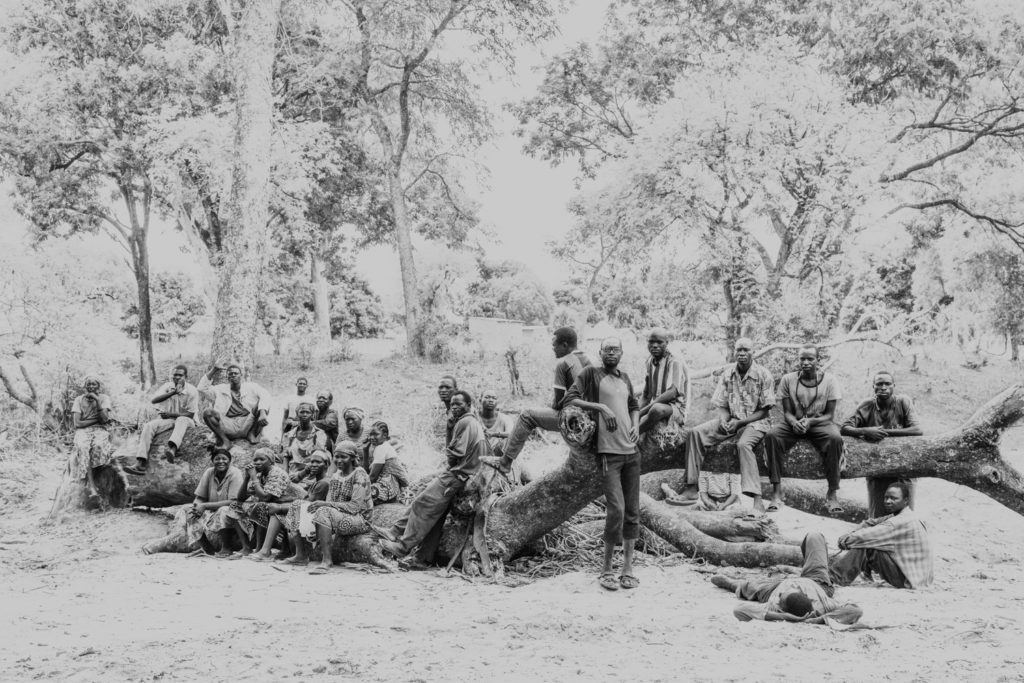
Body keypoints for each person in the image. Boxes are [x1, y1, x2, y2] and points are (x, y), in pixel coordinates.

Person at [564, 337, 641, 591]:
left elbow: (634, 406)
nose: (611, 353)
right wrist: (601, 408)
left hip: (632, 454)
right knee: (616, 509)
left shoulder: (625, 378)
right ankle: (606, 569)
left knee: (632, 511)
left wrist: (636, 425)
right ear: (600, 352)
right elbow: (570, 398)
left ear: (621, 352)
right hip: (609, 454)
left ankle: (627, 569)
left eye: (615, 349)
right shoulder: (591, 374)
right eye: (607, 349)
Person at [378, 390, 485, 561]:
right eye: (452, 404)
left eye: (459, 404)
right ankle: (422, 556)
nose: (454, 407)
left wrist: (450, 430)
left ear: (469, 405)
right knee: (436, 514)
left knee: (423, 503)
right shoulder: (471, 422)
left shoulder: (465, 422)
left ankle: (402, 546)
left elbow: (453, 455)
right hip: (467, 474)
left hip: (459, 475)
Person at [682, 338, 776, 511]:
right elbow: (722, 405)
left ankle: (757, 499)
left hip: (756, 421)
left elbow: (765, 411)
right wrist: (725, 420)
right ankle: (691, 487)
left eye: (746, 350)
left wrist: (740, 423)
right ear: (734, 352)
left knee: (743, 444)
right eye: (738, 350)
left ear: (752, 352)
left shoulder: (763, 374)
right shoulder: (728, 374)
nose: (741, 353)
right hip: (732, 419)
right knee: (695, 433)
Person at [710, 532, 863, 625]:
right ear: (806, 597)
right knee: (814, 536)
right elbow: (855, 610)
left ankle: (732, 584)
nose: (793, 586)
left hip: (775, 588)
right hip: (817, 583)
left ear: (780, 605)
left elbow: (740, 610)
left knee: (753, 587)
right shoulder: (824, 605)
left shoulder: (774, 605)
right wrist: (819, 619)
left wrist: (783, 617)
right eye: (795, 589)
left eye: (783, 597)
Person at [498, 327, 591, 472]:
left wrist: (554, 403)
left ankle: (505, 462)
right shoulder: (592, 360)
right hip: (592, 417)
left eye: (554, 344)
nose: (552, 348)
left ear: (565, 345)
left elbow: (557, 404)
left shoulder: (564, 363)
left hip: (575, 420)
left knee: (527, 415)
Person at [764, 346, 844, 513]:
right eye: (802, 359)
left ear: (818, 360)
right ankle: (777, 492)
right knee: (772, 435)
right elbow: (787, 412)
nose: (806, 362)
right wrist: (794, 423)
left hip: (819, 422)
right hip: (794, 423)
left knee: (835, 439)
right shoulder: (788, 379)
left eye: (810, 359)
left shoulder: (830, 380)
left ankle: (832, 493)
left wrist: (810, 422)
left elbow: (829, 415)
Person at [840, 371, 923, 517]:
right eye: (879, 384)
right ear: (873, 386)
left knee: (905, 517)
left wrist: (883, 432)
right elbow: (844, 427)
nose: (883, 387)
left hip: (903, 469)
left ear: (893, 386)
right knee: (878, 516)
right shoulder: (867, 405)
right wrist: (866, 430)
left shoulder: (903, 402)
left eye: (887, 384)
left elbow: (917, 430)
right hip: (877, 471)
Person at [830, 481, 933, 589]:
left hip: (909, 581)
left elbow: (862, 537)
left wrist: (844, 540)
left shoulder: (898, 522)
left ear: (906, 500)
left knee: (866, 544)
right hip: (918, 578)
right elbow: (870, 523)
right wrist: (850, 533)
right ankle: (859, 574)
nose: (888, 501)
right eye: (886, 498)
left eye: (894, 498)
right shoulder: (905, 515)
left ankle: (834, 578)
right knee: (869, 541)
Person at [249, 449, 332, 563]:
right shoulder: (317, 482)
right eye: (311, 462)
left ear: (326, 465)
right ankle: (277, 550)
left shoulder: (324, 483)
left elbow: (307, 506)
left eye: (318, 462)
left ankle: (271, 551)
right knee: (271, 509)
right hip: (310, 515)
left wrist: (280, 508)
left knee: (278, 514)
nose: (313, 465)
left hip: (318, 520)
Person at [306, 445, 374, 574]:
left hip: (361, 519)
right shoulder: (336, 475)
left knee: (323, 510)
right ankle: (300, 555)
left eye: (344, 457)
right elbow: (329, 501)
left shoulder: (359, 474)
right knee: (308, 508)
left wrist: (326, 506)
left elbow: (355, 507)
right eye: (336, 456)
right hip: (341, 515)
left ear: (352, 458)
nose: (339, 460)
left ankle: (327, 561)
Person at [215, 447, 291, 558]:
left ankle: (261, 549)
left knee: (261, 506)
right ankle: (247, 547)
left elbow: (265, 498)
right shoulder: (260, 474)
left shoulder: (276, 473)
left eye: (261, 459)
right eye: (255, 460)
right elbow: (240, 498)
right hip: (271, 505)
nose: (257, 462)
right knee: (234, 506)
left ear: (271, 461)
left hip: (287, 505)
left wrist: (254, 477)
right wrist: (246, 478)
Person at [126, 364, 200, 475]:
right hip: (171, 420)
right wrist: (173, 392)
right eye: (175, 375)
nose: (177, 378)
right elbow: (154, 400)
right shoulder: (168, 386)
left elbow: (190, 414)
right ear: (171, 376)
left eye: (180, 375)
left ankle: (173, 450)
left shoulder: (192, 390)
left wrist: (171, 413)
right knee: (149, 425)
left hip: (188, 421)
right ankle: (140, 463)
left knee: (181, 419)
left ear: (186, 377)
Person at [183, 446, 246, 555]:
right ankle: (207, 548)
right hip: (212, 509)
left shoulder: (235, 473)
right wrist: (197, 506)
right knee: (187, 510)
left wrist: (205, 506)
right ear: (212, 461)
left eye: (224, 459)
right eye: (217, 459)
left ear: (230, 461)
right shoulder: (209, 472)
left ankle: (226, 547)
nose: (221, 461)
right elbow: (200, 497)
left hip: (233, 511)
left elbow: (233, 502)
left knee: (224, 510)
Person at [198, 364, 271, 446]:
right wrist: (214, 369)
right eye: (230, 374)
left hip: (248, 423)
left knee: (261, 404)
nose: (233, 375)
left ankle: (251, 433)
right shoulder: (220, 389)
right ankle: (225, 440)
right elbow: (201, 389)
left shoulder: (251, 386)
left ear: (241, 375)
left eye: (236, 373)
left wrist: (262, 413)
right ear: (227, 377)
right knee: (207, 412)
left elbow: (265, 394)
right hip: (228, 424)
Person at [69, 375, 117, 499]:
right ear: (85, 386)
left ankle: (93, 479)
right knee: (83, 446)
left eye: (93, 384)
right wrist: (97, 419)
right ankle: (89, 484)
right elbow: (77, 423)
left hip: (100, 430)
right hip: (83, 430)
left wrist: (97, 400)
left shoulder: (104, 398)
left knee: (98, 446)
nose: (91, 386)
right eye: (88, 384)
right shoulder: (79, 400)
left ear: (98, 386)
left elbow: (104, 420)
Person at [637, 328, 690, 434]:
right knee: (631, 410)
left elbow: (672, 393)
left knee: (656, 409)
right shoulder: (649, 362)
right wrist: (635, 412)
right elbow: (646, 395)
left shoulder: (674, 361)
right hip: (656, 406)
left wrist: (642, 412)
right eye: (651, 342)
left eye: (659, 342)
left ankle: (634, 435)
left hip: (676, 409)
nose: (655, 346)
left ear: (666, 343)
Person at [280, 401, 329, 482]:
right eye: (302, 412)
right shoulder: (289, 435)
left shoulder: (319, 434)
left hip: (312, 476)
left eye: (308, 412)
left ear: (312, 414)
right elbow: (286, 458)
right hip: (292, 475)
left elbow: (318, 459)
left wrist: (301, 475)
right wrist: (285, 477)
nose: (305, 415)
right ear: (297, 414)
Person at [364, 422, 408, 504]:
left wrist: (361, 488)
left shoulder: (381, 448)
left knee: (360, 492)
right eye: (370, 435)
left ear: (384, 435)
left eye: (376, 434)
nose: (372, 437)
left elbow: (373, 476)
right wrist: (365, 451)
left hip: (388, 488)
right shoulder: (383, 446)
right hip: (390, 487)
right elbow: (367, 472)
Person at [478, 389, 514, 457]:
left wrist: (494, 434)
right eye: (487, 397)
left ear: (497, 402)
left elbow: (512, 434)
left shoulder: (505, 418)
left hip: (499, 454)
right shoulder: (474, 418)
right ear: (480, 400)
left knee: (508, 441)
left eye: (494, 398)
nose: (491, 400)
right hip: (478, 453)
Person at [429, 375, 459, 449]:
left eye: (448, 387)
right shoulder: (450, 409)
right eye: (440, 387)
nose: (443, 390)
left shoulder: (457, 411)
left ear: (456, 390)